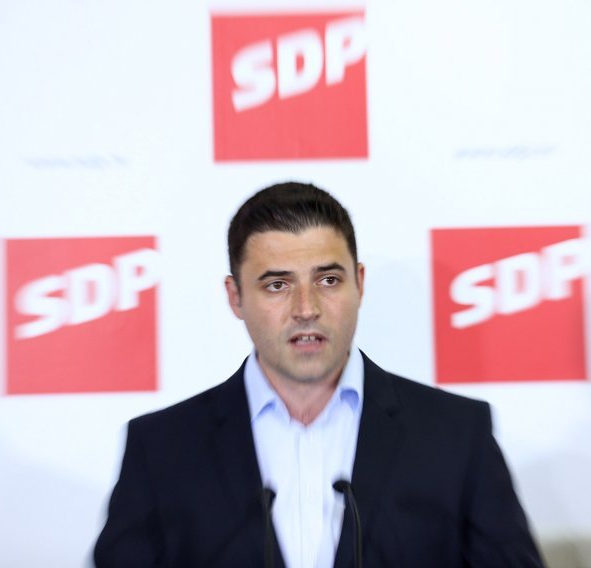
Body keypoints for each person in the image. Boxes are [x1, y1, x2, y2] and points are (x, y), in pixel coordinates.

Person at [94, 182, 545, 567]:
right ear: (235, 297)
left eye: (328, 280)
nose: (306, 309)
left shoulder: (457, 436)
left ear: (360, 283)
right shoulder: (161, 448)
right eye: (277, 285)